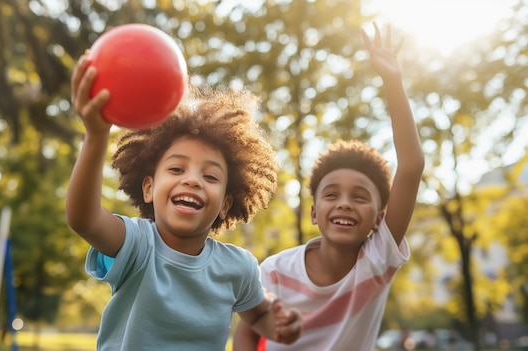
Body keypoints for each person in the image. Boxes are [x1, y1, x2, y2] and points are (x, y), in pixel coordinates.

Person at [66, 51, 303, 350]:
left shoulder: (237, 267)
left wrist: (279, 324)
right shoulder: (136, 245)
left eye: (211, 177)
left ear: (226, 204)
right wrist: (96, 135)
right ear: (149, 188)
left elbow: (259, 314)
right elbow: (83, 219)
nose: (192, 180)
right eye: (177, 169)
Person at [233, 22, 425, 351]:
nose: (345, 203)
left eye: (360, 197)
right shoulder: (276, 271)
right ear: (313, 212)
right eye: (332, 194)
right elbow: (248, 333)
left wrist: (393, 81)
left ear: (380, 218)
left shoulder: (377, 259)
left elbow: (411, 166)